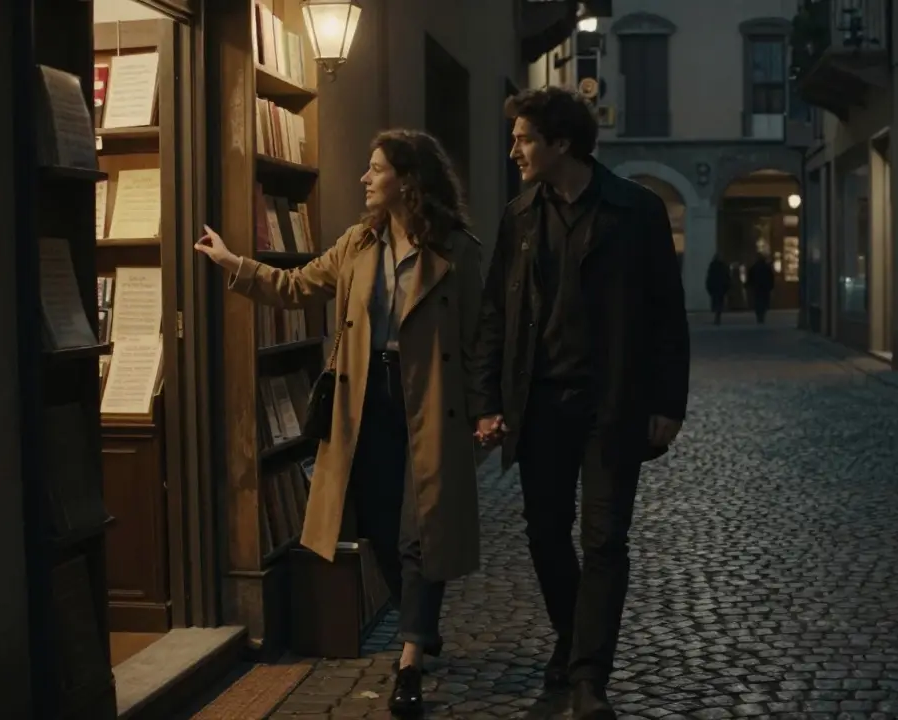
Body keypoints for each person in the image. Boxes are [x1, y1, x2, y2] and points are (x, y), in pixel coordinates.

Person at [194, 129, 483, 716]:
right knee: (377, 525)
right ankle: (419, 624)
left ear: (407, 178)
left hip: (429, 403)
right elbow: (298, 286)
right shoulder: (358, 244)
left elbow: (481, 336)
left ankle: (407, 663)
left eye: (375, 168)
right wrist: (234, 264)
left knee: (418, 529)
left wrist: (487, 409)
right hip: (365, 401)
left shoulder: (456, 249)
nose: (364, 178)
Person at [468, 86, 690, 719]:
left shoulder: (636, 210)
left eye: (524, 138)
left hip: (612, 403)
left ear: (560, 143)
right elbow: (494, 316)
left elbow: (667, 315)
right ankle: (574, 638)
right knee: (544, 534)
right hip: (539, 406)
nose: (514, 149)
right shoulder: (520, 216)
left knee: (604, 540)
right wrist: (488, 401)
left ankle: (588, 677)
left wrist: (669, 402)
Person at [746, 253, 775, 324]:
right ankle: (762, 315)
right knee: (764, 301)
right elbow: (771, 278)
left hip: (757, 288)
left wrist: (749, 285)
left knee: (758, 301)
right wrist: (771, 286)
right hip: (765, 288)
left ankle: (759, 315)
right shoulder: (767, 267)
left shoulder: (754, 267)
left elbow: (750, 277)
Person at [705, 253, 731, 324]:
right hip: (721, 287)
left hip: (715, 287)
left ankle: (717, 316)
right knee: (720, 302)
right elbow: (727, 277)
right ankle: (718, 316)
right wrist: (727, 287)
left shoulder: (712, 266)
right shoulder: (723, 266)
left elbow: (709, 278)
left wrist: (709, 287)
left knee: (716, 302)